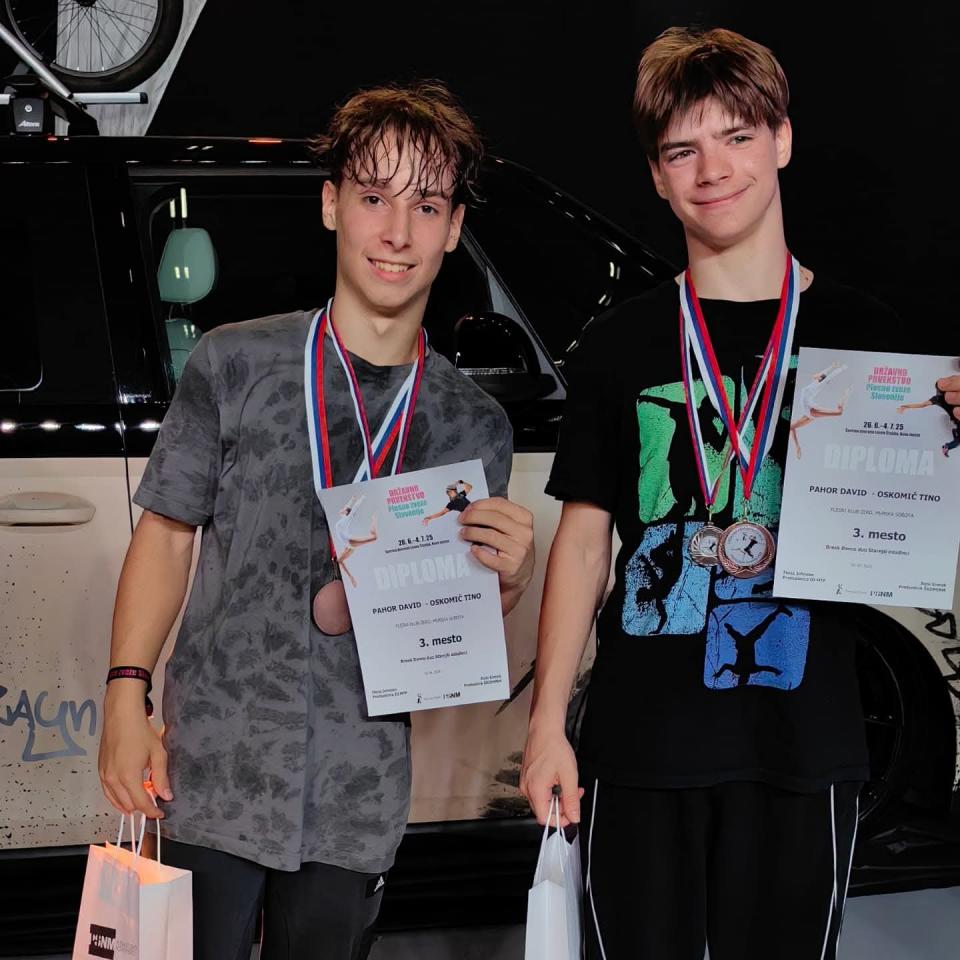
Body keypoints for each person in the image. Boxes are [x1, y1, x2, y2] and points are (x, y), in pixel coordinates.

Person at [520, 26, 959, 960]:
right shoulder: (622, 343)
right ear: (656, 176)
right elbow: (584, 541)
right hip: (641, 743)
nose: (713, 169)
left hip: (805, 744)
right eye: (682, 150)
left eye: (737, 136)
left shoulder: (864, 336)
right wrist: (547, 725)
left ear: (783, 140)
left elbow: (917, 534)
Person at [98, 81, 535, 960]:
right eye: (374, 198)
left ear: (454, 228)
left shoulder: (470, 423)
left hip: (354, 788)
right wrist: (124, 694)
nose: (397, 232)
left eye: (426, 206)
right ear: (332, 204)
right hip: (213, 766)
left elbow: (448, 620)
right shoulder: (236, 363)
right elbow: (168, 535)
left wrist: (510, 580)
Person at [789, 360, 850, 457]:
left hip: (811, 411)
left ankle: (845, 395)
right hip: (808, 414)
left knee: (839, 412)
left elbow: (829, 376)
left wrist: (842, 368)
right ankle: (797, 447)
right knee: (791, 427)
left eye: (820, 376)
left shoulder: (820, 384)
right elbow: (822, 373)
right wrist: (832, 366)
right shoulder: (814, 383)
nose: (817, 376)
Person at [898, 385, 960, 457]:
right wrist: (905, 406)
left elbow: (921, 405)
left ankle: (953, 435)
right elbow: (921, 405)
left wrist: (905, 406)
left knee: (958, 440)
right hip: (956, 419)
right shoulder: (937, 398)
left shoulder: (939, 398)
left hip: (956, 419)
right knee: (958, 441)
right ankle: (948, 444)